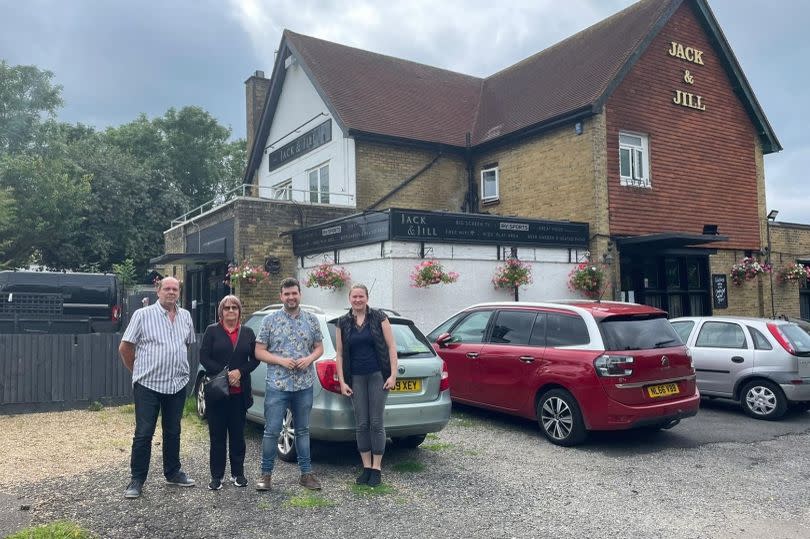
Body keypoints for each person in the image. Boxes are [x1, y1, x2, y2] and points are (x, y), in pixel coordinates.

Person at [119, 276, 196, 499]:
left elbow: (185, 345)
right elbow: (125, 347)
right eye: (167, 289)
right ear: (158, 290)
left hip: (177, 383)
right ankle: (137, 479)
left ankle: (172, 472)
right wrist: (138, 372)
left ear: (179, 292)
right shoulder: (142, 315)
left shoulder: (186, 316)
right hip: (148, 385)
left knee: (173, 430)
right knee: (144, 433)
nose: (171, 292)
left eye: (175, 289)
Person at [254, 277, 324, 491]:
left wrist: (309, 359)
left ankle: (306, 474)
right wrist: (281, 360)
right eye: (287, 294)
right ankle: (265, 476)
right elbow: (259, 351)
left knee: (302, 430)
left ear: (300, 294)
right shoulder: (269, 320)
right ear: (281, 296)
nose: (291, 297)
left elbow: (319, 348)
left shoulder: (312, 320)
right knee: (272, 431)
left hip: (303, 385)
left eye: (294, 293)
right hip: (278, 384)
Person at [335, 284, 398, 487]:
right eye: (354, 296)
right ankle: (366, 467)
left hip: (377, 375)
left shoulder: (379, 317)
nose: (358, 300)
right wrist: (342, 381)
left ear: (367, 298)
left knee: (376, 423)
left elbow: (391, 346)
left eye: (361, 296)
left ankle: (377, 468)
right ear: (349, 299)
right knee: (361, 423)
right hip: (356, 378)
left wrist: (394, 375)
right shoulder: (342, 322)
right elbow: (340, 353)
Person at [199, 295, 259, 491]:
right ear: (221, 311)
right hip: (217, 393)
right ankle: (217, 476)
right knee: (216, 436)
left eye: (234, 307)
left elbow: (255, 359)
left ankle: (238, 474)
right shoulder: (212, 331)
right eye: (227, 308)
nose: (231, 311)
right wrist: (225, 374)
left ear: (239, 311)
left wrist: (240, 372)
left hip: (239, 393)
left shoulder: (248, 333)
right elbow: (204, 358)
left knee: (237, 436)